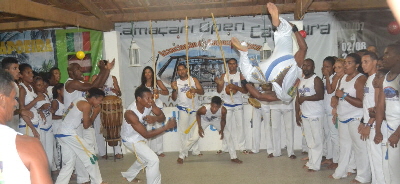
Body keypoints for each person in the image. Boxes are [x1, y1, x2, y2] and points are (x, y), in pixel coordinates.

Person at [231, 2, 307, 102]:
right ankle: (244, 52)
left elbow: (304, 48)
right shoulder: (283, 97)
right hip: (270, 74)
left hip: (285, 61)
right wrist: (244, 82)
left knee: (285, 34)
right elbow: (259, 96)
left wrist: (295, 29)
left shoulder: (297, 73)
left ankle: (280, 24)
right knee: (248, 74)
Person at [65, 60, 113, 184]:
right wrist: (103, 70)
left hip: (82, 122)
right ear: (71, 72)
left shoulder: (81, 82)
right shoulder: (70, 83)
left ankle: (85, 179)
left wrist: (106, 69)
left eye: (81, 68)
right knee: (82, 154)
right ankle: (87, 180)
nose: (81, 71)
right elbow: (92, 87)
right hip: (72, 125)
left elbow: (97, 85)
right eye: (77, 69)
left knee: (87, 151)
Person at [0, 69, 52, 184]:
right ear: (2, 99)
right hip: (28, 126)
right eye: (14, 98)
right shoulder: (27, 146)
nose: (16, 103)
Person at [121, 86, 177, 183]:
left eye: (151, 97)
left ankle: (128, 175)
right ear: (139, 99)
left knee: (143, 159)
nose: (151, 100)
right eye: (148, 98)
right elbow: (146, 134)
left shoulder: (149, 103)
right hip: (131, 140)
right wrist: (166, 127)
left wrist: (155, 119)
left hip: (140, 136)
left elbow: (162, 116)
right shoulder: (130, 113)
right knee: (153, 160)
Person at [330, 53, 371, 183]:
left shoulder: (360, 79)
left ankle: (363, 176)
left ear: (357, 65)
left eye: (349, 63)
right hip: (343, 117)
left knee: (360, 148)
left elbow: (361, 103)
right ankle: (341, 171)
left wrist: (343, 96)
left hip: (356, 118)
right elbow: (337, 94)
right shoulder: (343, 78)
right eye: (345, 63)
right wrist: (335, 99)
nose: (345, 65)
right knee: (344, 146)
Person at [54, 88, 107, 184]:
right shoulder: (86, 105)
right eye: (100, 100)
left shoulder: (78, 100)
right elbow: (86, 126)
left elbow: (80, 120)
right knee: (90, 155)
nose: (100, 102)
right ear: (94, 98)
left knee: (69, 163)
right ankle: (98, 182)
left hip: (61, 133)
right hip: (69, 133)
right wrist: (95, 113)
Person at [177, 96, 242, 164]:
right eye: (213, 106)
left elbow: (223, 120)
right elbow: (198, 114)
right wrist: (200, 127)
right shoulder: (204, 109)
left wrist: (222, 130)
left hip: (216, 120)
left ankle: (234, 157)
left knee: (228, 135)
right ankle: (181, 156)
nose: (214, 109)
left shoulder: (223, 110)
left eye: (216, 107)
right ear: (210, 104)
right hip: (204, 120)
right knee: (194, 138)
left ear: (220, 106)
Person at [357, 51, 386, 184]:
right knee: (373, 158)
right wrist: (363, 122)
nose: (363, 65)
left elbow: (377, 107)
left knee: (378, 159)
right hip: (369, 123)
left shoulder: (377, 79)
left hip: (376, 124)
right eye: (362, 62)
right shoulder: (369, 78)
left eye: (366, 62)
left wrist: (369, 125)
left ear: (375, 62)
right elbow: (367, 105)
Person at [374, 44, 400, 184]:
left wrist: (397, 134)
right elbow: (380, 106)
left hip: (398, 130)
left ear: (398, 58)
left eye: (387, 54)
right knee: (390, 167)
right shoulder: (386, 78)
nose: (384, 57)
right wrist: (378, 130)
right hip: (389, 127)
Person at [295, 59, 324, 172]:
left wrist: (305, 98)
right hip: (305, 114)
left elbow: (320, 95)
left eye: (308, 66)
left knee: (317, 141)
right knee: (309, 141)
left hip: (315, 114)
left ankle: (315, 165)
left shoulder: (316, 80)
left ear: (313, 67)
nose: (305, 67)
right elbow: (298, 99)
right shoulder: (302, 80)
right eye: (304, 65)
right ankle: (311, 161)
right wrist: (297, 114)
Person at [215, 58, 248, 154]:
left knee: (240, 126)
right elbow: (219, 90)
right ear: (227, 65)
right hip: (227, 104)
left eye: (234, 64)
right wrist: (219, 84)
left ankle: (242, 147)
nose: (232, 65)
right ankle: (225, 147)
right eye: (230, 64)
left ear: (236, 65)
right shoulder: (224, 75)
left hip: (238, 104)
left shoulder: (240, 76)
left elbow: (245, 91)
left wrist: (235, 87)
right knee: (225, 127)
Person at [171, 63, 204, 156]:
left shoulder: (193, 80)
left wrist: (195, 90)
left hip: (194, 108)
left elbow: (202, 91)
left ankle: (196, 150)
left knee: (195, 131)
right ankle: (183, 151)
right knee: (183, 131)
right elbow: (173, 98)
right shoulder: (176, 82)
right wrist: (174, 89)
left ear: (186, 70)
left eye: (183, 69)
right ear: (177, 72)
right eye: (179, 70)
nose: (181, 71)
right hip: (183, 109)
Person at [92, 69, 124, 159]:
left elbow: (119, 93)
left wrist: (116, 90)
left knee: (115, 128)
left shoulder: (112, 78)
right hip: (99, 106)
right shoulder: (95, 77)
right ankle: (102, 153)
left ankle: (118, 152)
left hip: (112, 108)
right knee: (99, 130)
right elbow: (91, 92)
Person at [140, 66, 169, 157]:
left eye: (149, 72)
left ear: (152, 73)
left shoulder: (157, 82)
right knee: (148, 129)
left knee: (159, 128)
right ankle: (149, 150)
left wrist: (159, 91)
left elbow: (167, 92)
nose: (147, 74)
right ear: (144, 75)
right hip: (147, 108)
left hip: (158, 107)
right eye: (146, 72)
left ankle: (159, 151)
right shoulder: (142, 86)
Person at [33, 76, 54, 171]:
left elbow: (49, 108)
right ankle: (42, 171)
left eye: (42, 85)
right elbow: (32, 108)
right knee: (42, 150)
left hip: (49, 126)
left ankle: (48, 172)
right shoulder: (34, 97)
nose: (42, 87)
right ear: (33, 86)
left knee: (50, 150)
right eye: (38, 85)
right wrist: (41, 108)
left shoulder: (45, 95)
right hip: (41, 127)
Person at [18, 63, 43, 138]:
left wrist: (39, 111)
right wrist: (36, 100)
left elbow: (33, 107)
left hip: (34, 122)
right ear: (21, 75)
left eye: (31, 72)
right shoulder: (22, 89)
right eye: (28, 73)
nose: (31, 75)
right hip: (27, 125)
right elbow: (22, 110)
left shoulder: (30, 87)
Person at [51, 83, 65, 173]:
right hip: (57, 129)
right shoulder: (55, 102)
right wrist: (62, 117)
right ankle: (61, 169)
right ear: (59, 91)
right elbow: (51, 116)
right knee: (59, 150)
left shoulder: (66, 101)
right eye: (64, 90)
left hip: (63, 129)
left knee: (64, 150)